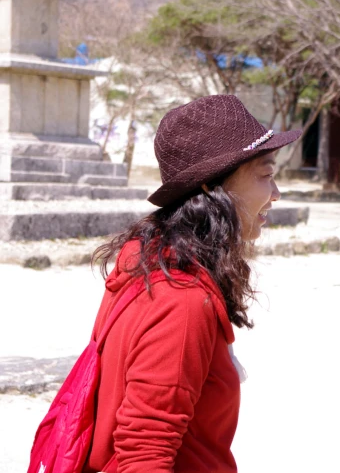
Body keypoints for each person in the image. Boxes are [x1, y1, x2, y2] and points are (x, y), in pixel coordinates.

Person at [86, 95, 301, 473]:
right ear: (209, 187)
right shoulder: (180, 301)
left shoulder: (148, 264)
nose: (276, 193)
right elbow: (145, 452)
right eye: (266, 175)